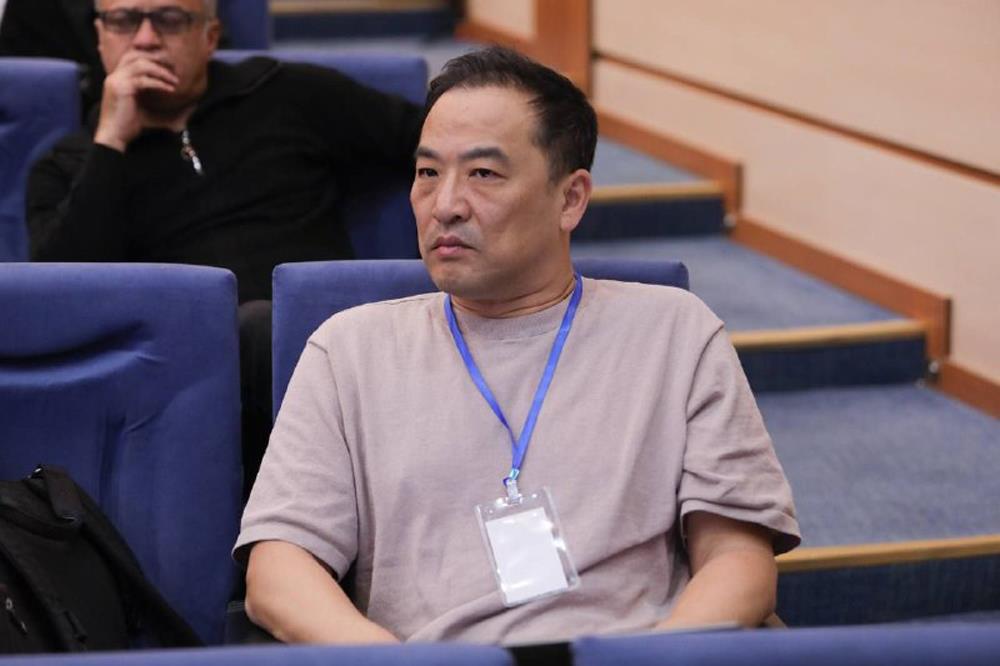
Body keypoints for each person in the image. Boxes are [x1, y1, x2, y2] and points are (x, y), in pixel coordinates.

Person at [235, 46, 799, 645]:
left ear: (570, 199)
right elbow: (278, 571)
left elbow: (738, 559)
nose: (445, 206)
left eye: (483, 174)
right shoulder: (349, 349)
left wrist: (652, 662)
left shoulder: (675, 332)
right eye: (428, 174)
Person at [25, 0, 423, 495]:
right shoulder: (67, 164)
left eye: (170, 20)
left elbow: (433, 137)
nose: (145, 39)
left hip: (324, 341)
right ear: (100, 37)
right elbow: (61, 301)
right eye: (124, 21)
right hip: (179, 379)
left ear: (210, 36)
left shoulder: (285, 93)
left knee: (263, 327)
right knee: (248, 330)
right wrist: (110, 144)